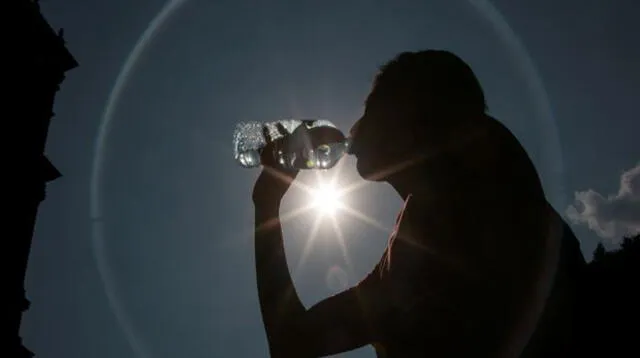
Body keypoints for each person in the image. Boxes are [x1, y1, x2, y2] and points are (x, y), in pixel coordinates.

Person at [251, 50, 586, 357]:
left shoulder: (432, 255)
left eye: (370, 113)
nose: (356, 131)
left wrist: (266, 205)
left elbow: (292, 342)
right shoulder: (493, 202)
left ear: (407, 123)